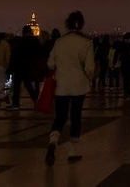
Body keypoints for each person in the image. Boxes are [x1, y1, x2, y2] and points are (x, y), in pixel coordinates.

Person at [45, 11, 95, 166]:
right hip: (78, 84)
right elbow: (90, 68)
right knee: (76, 115)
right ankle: (73, 149)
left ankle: (53, 140)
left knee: (60, 116)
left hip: (61, 84)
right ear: (82, 24)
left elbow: (50, 64)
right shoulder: (86, 43)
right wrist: (89, 79)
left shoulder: (60, 42)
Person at [118, 32, 130, 100]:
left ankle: (128, 92)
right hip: (128, 64)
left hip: (129, 64)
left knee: (129, 79)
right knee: (127, 79)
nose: (126, 40)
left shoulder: (124, 45)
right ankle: (127, 92)